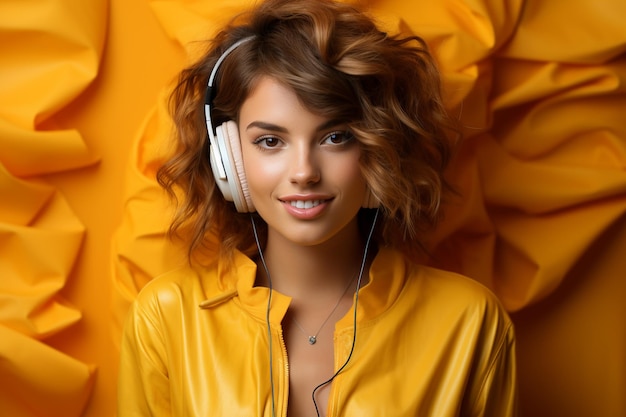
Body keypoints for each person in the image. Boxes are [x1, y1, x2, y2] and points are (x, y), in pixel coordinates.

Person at [117, 0, 518, 415]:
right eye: (270, 141)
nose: (304, 172)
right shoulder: (166, 316)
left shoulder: (469, 322)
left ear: (378, 149)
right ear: (228, 161)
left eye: (335, 137)